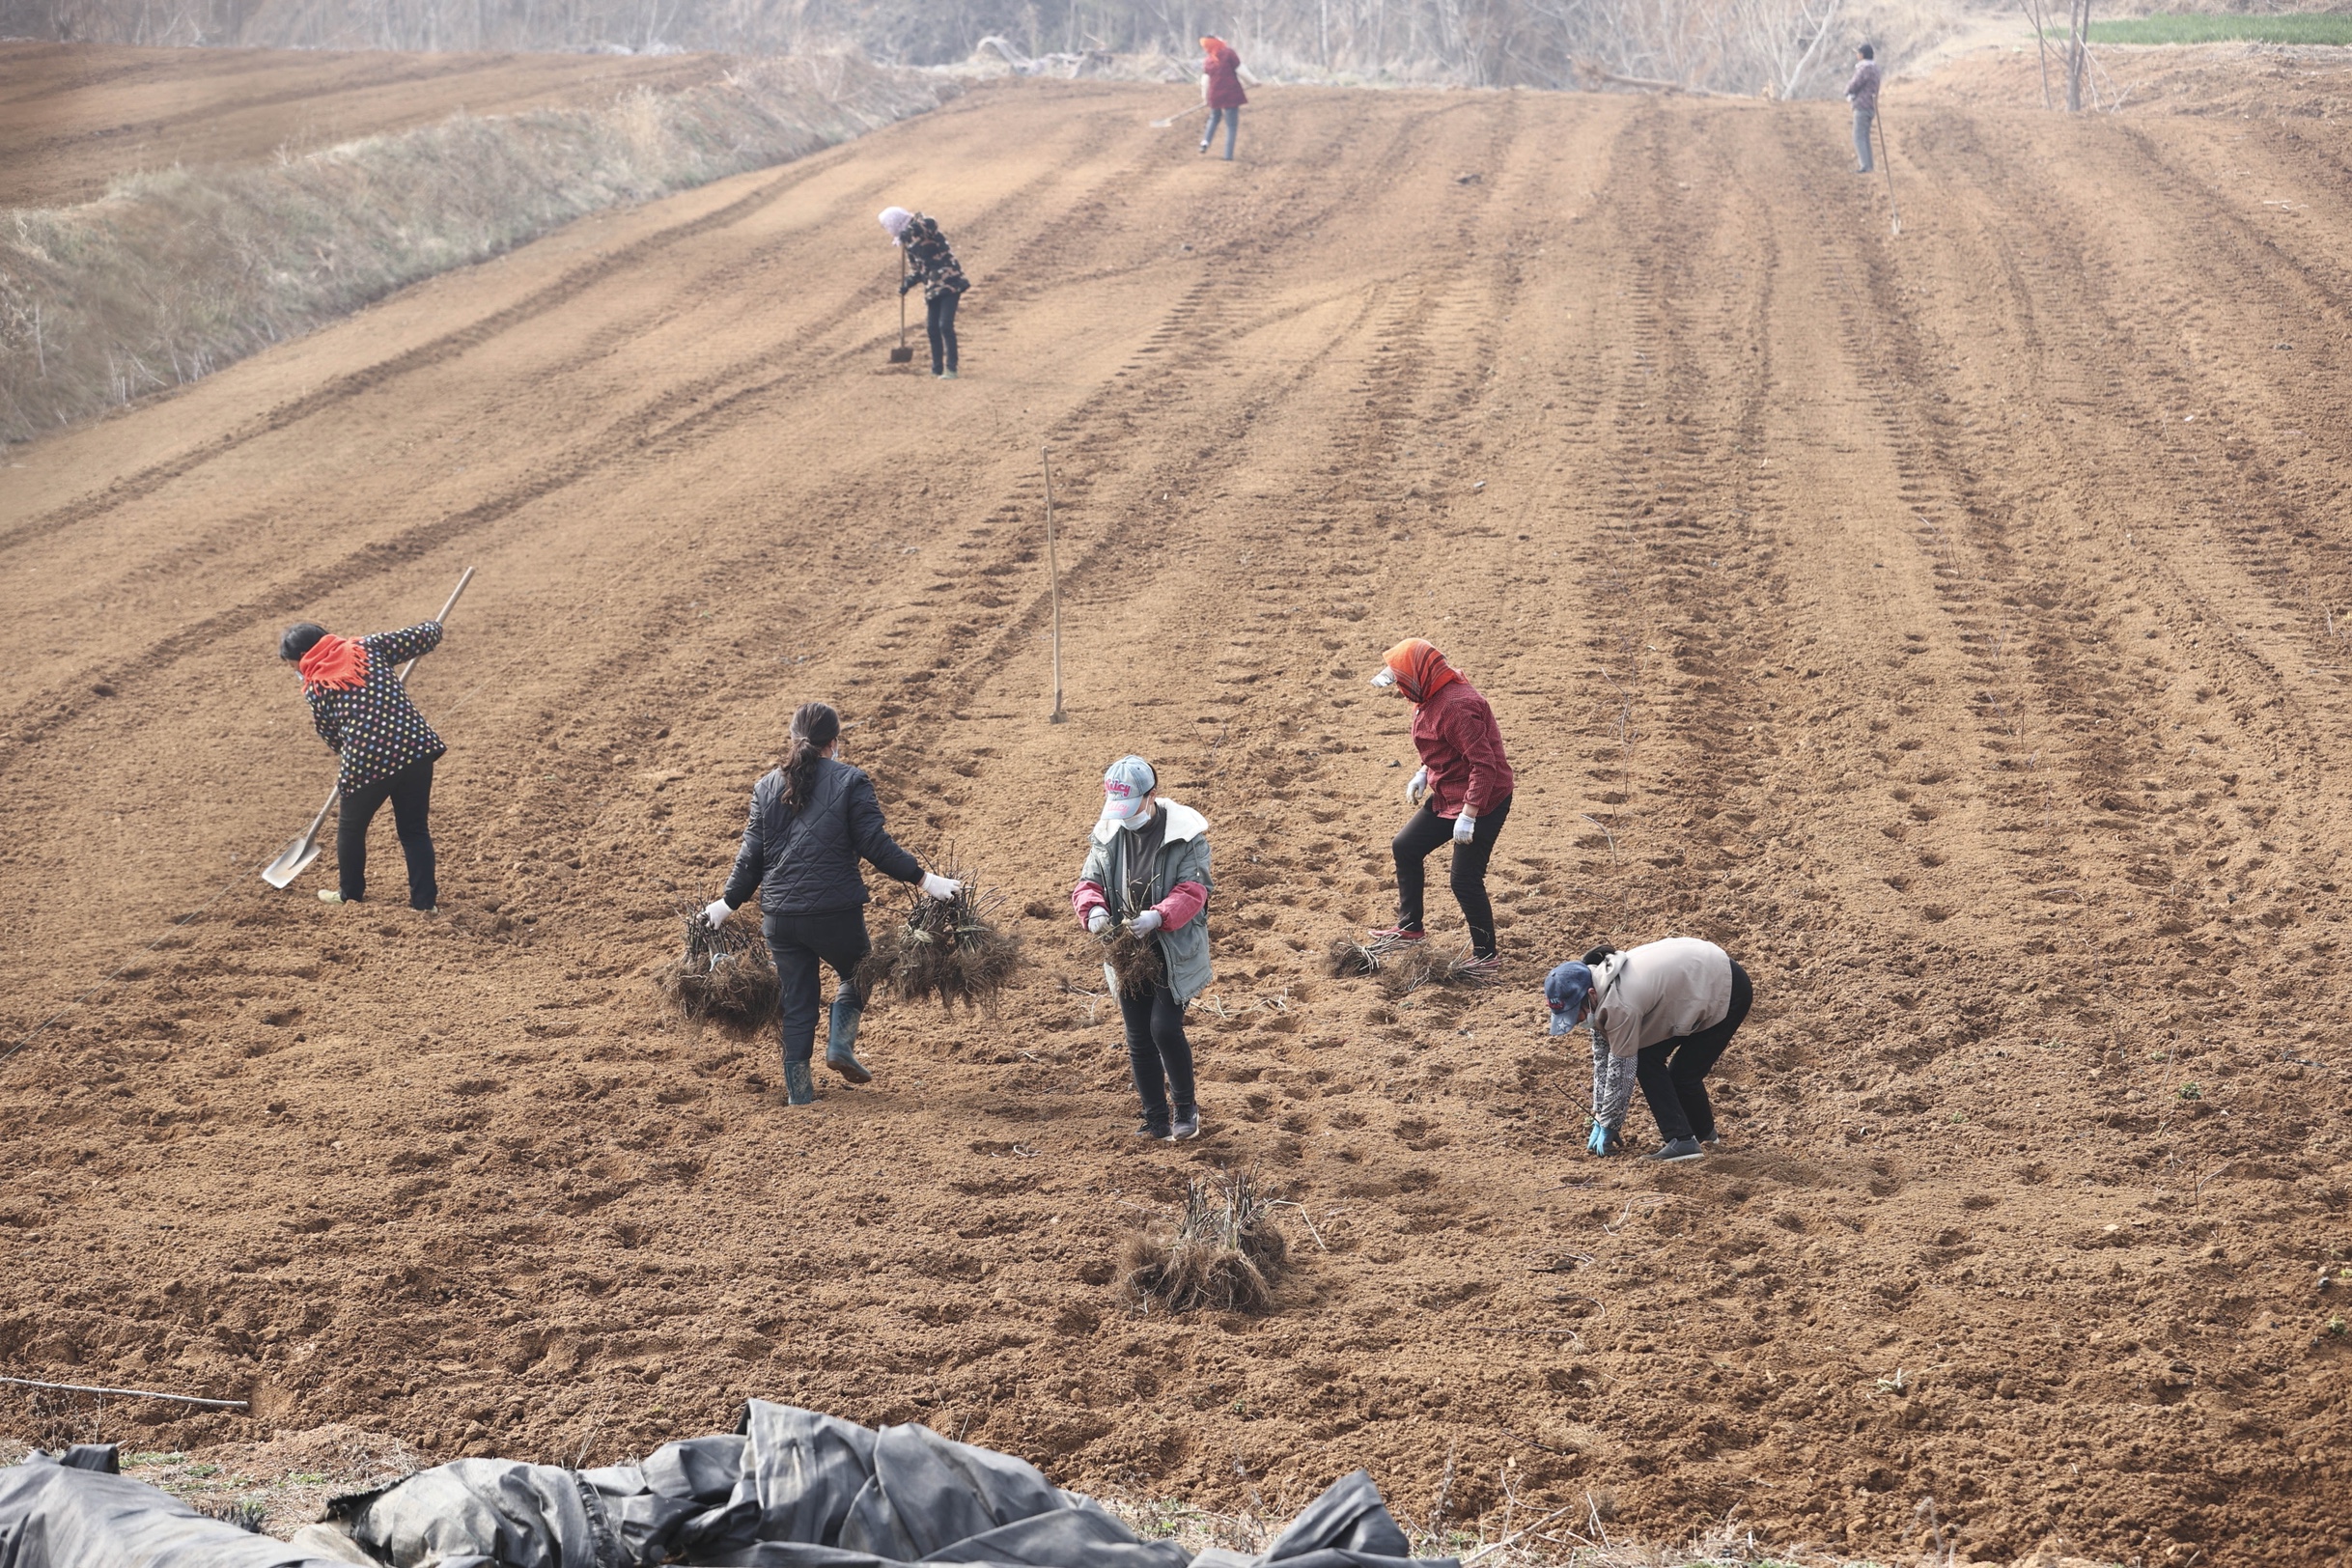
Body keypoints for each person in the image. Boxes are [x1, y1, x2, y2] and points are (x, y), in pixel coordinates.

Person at [704, 702, 959, 1106]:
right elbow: (875, 846)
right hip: (834, 912)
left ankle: (799, 1094)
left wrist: (725, 904)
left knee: (798, 1000)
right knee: (859, 971)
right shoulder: (851, 781)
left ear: (793, 740)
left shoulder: (766, 786)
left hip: (780, 919)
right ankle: (840, 1047)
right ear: (834, 742)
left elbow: (750, 858)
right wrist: (927, 881)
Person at [1071, 756, 1214, 1142]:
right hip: (1126, 952)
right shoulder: (1108, 833)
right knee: (1137, 1035)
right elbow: (1088, 881)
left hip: (1172, 948)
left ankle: (1186, 1109)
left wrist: (1158, 916)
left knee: (1164, 1028)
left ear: (1151, 796)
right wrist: (1094, 909)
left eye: (1132, 806)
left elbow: (1193, 891)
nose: (1125, 816)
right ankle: (1155, 1120)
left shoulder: (1187, 836)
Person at [280, 618, 448, 912]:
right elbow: (425, 636)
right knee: (414, 830)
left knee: (350, 828)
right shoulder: (367, 646)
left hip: (366, 761)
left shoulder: (315, 684)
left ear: (304, 656)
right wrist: (433, 629)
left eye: (292, 663)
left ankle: (350, 894)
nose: (294, 670)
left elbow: (329, 732)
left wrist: (349, 751)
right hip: (416, 748)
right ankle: (425, 904)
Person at [1367, 638, 1514, 966]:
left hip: (1485, 799)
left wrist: (1469, 815)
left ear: (1420, 675)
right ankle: (1409, 927)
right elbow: (1447, 746)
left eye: (1401, 681)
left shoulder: (1456, 706)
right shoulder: (1430, 695)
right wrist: (1423, 772)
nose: (1400, 689)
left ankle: (1486, 955)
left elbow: (1484, 764)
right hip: (1449, 790)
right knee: (1406, 846)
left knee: (1464, 879)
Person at [1546, 938, 1753, 1162]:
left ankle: (1683, 1141)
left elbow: (1622, 1069)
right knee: (1649, 1058)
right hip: (1694, 981)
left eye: (1575, 1013)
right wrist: (1600, 1115)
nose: (1576, 1021)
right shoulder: (1599, 988)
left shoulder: (1619, 1005)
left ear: (1590, 995)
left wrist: (1609, 1123)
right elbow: (1602, 1057)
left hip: (1725, 986)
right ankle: (1702, 1138)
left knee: (1681, 1074)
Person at [879, 206, 970, 379]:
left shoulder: (922, 225)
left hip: (950, 282)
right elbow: (918, 269)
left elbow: (931, 223)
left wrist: (909, 231)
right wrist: (908, 283)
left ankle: (951, 368)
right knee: (931, 328)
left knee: (945, 325)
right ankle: (936, 368)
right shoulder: (906, 242)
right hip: (932, 286)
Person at [1198, 36, 1246, 161]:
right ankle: (1228, 155)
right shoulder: (1228, 53)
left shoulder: (1208, 61)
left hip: (1215, 95)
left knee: (1214, 118)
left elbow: (1205, 82)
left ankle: (1205, 143)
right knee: (1231, 125)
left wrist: (1205, 98)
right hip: (1231, 94)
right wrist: (1254, 82)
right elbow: (1241, 70)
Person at [1845, 43, 1881, 174]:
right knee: (1864, 136)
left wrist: (1847, 91)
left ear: (1862, 55)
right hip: (1871, 106)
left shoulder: (1864, 69)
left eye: (1858, 53)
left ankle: (1865, 166)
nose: (1857, 55)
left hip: (1862, 105)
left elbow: (1854, 84)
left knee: (1858, 136)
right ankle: (1868, 165)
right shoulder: (1875, 69)